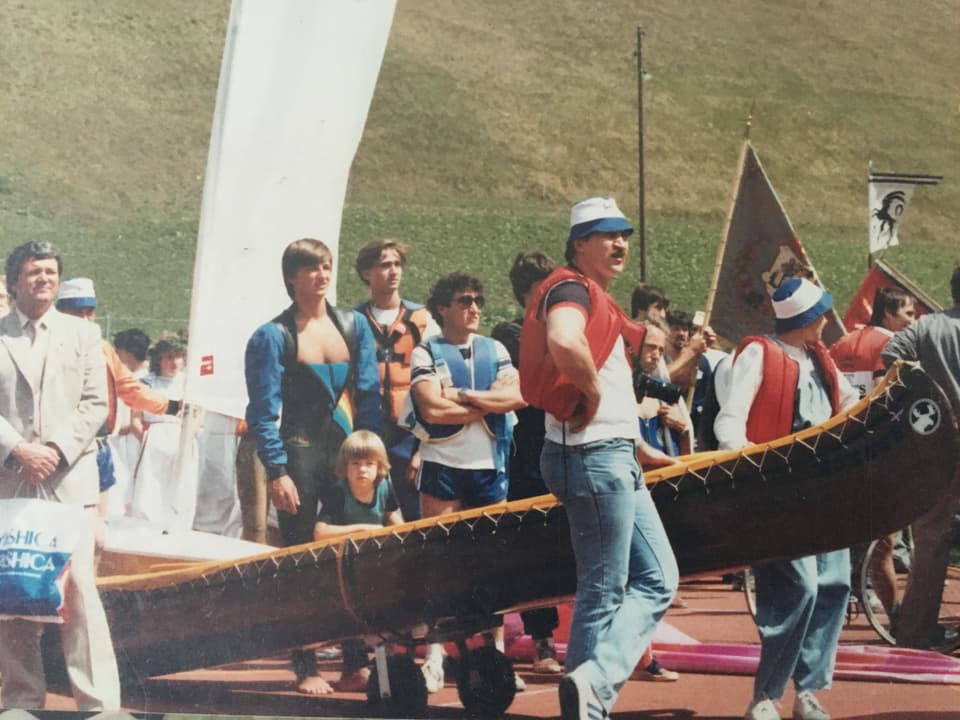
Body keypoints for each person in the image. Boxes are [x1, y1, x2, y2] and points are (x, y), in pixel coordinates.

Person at [519, 196, 678, 720]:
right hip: (591, 456)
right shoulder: (570, 288)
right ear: (579, 243)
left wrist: (635, 442)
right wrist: (589, 390)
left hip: (610, 454)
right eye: (606, 235)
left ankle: (590, 685)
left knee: (658, 578)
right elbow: (564, 339)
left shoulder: (592, 294)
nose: (619, 244)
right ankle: (588, 700)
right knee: (605, 588)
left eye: (624, 235)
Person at [714, 277, 859, 720]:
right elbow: (731, 419)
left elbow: (851, 406)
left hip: (825, 489)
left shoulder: (822, 359)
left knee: (835, 584)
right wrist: (745, 474)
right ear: (807, 318)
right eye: (822, 314)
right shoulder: (759, 353)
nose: (827, 322)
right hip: (779, 488)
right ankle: (765, 695)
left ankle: (808, 690)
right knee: (798, 586)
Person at [244, 238, 383, 694]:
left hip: (343, 453)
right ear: (292, 278)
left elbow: (368, 399)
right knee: (300, 557)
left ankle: (354, 658)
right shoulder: (271, 335)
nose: (323, 275)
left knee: (353, 552)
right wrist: (278, 470)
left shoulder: (354, 324)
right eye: (312, 269)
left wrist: (371, 456)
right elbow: (262, 413)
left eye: (327, 266)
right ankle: (304, 662)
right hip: (298, 452)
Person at [0, 241, 120, 710]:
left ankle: (98, 701)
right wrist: (17, 450)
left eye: (50, 271)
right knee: (13, 589)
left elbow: (96, 404)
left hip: (70, 479)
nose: (44, 279)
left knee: (80, 590)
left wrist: (52, 450)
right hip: (11, 478)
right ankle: (21, 698)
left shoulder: (84, 335)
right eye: (33, 272)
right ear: (14, 281)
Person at [407, 271, 526, 693]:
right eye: (463, 300)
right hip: (443, 465)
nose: (474, 307)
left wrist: (461, 396)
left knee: (489, 564)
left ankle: (494, 655)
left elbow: (516, 398)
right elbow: (431, 410)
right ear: (442, 307)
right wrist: (485, 403)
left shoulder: (495, 348)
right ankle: (436, 658)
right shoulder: (426, 351)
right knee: (441, 563)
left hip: (488, 467)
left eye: (477, 299)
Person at [54, 277, 180, 544]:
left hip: (99, 445)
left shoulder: (103, 349)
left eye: (90, 313)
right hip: (63, 448)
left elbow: (129, 387)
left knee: (97, 532)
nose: (86, 320)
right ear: (61, 312)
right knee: (62, 528)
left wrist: (170, 406)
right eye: (78, 313)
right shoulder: (49, 345)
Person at [491, 250, 564, 674]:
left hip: (559, 444)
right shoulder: (509, 333)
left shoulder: (563, 327)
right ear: (527, 291)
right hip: (522, 453)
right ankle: (539, 640)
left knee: (555, 548)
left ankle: (545, 635)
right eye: (544, 285)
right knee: (525, 547)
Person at [881, 266, 960, 651]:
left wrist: (924, 397)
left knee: (930, 537)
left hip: (938, 440)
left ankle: (915, 629)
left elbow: (890, 353)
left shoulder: (928, 327)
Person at [829, 286, 916, 622]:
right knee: (884, 537)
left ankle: (851, 590)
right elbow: (885, 396)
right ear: (888, 314)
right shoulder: (891, 344)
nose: (913, 321)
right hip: (877, 447)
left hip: (842, 443)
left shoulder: (842, 342)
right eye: (908, 314)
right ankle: (895, 617)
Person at [354, 238, 439, 522]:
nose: (393, 271)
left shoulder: (423, 319)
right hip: (368, 433)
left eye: (397, 264)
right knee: (370, 514)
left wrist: (424, 446)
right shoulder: (352, 321)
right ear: (366, 273)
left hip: (409, 434)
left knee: (413, 514)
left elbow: (438, 387)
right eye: (384, 265)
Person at [313, 430, 404, 691]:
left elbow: (396, 523)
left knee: (386, 616)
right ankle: (354, 671)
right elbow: (320, 532)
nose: (362, 470)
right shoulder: (339, 492)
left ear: (379, 467)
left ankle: (389, 675)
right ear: (346, 466)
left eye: (369, 464)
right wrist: (363, 529)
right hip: (345, 569)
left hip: (376, 565)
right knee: (352, 617)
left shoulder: (385, 487)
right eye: (355, 464)